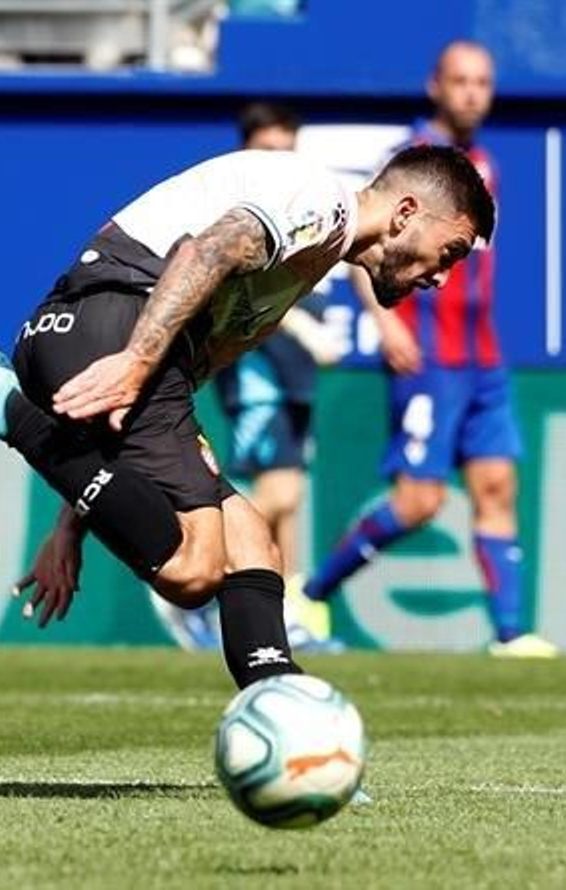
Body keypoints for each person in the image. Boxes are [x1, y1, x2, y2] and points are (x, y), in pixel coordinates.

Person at [0, 144, 493, 690]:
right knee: (193, 568)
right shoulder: (323, 203)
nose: (442, 277)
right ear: (406, 211)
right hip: (116, 321)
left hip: (98, 334)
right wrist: (133, 362)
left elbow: (162, 400)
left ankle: (287, 719)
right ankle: (10, 409)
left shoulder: (315, 256)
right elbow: (208, 248)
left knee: (252, 542)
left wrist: (73, 521)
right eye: (451, 252)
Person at [290, 40, 559, 658]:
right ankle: (314, 592)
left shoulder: (486, 164)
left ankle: (510, 635)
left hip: (484, 356)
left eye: (483, 82)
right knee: (419, 500)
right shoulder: (409, 162)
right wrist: (387, 326)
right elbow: (361, 236)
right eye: (460, 81)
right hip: (429, 355)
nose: (472, 92)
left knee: (496, 487)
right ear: (435, 85)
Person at [155, 101, 347, 652]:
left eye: (286, 150)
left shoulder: (306, 209)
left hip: (297, 379)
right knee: (276, 492)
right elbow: (236, 298)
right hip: (258, 373)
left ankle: (281, 615)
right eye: (267, 151)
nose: (278, 163)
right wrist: (302, 333)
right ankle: (191, 575)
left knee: (288, 502)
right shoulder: (239, 212)